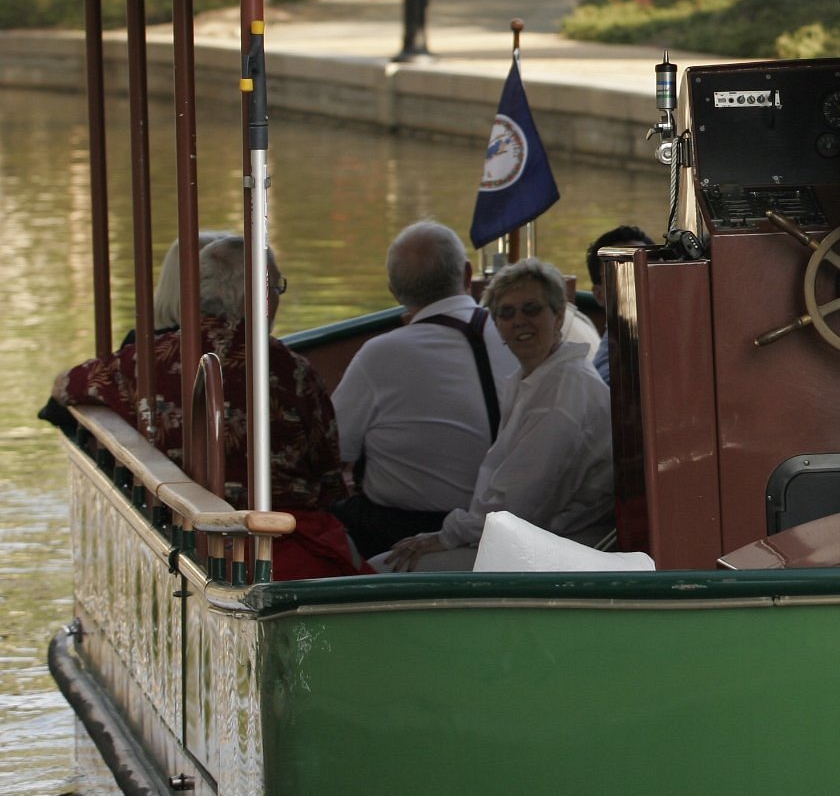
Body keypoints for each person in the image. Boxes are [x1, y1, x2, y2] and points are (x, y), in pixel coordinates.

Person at [47, 235, 356, 580]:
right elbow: (328, 474)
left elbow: (67, 386)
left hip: (178, 534)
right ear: (263, 297)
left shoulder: (145, 361)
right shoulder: (292, 371)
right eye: (277, 289)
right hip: (285, 541)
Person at [380, 257, 614, 571]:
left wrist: (447, 536)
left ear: (558, 316)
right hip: (527, 538)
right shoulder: (538, 378)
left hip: (554, 551)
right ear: (498, 326)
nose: (519, 320)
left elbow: (521, 509)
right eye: (506, 313)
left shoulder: (562, 396)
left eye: (532, 309)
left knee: (380, 570)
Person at [329, 221, 521, 560]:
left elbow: (333, 447)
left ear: (394, 291)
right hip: (514, 524)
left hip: (400, 530)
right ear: (466, 274)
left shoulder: (380, 355)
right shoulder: (520, 338)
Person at [585, 224, 654, 384]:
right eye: (623, 274)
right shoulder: (610, 372)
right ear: (600, 295)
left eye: (647, 268)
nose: (639, 281)